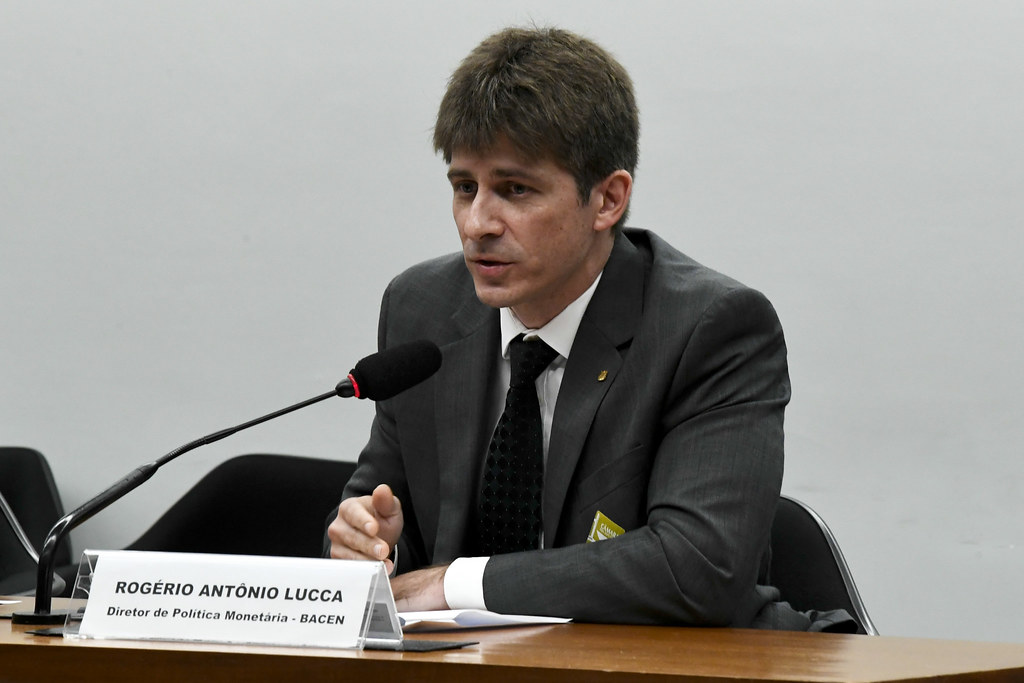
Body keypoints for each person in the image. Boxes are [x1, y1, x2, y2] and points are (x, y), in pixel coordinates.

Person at [326, 26, 852, 631]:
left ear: (608, 200)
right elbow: (386, 549)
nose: (477, 223)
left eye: (515, 189)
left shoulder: (710, 329)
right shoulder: (422, 310)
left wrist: (457, 583)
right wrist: (365, 546)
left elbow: (699, 568)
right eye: (464, 187)